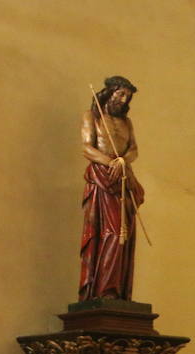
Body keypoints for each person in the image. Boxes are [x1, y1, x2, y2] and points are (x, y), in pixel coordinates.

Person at [79, 75, 144, 301]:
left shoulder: (127, 123)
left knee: (126, 235)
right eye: (121, 94)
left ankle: (118, 291)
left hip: (123, 179)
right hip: (102, 178)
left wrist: (123, 161)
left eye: (128, 96)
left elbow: (134, 149)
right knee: (113, 233)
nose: (124, 99)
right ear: (110, 92)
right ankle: (104, 290)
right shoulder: (92, 116)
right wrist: (110, 163)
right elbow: (87, 148)